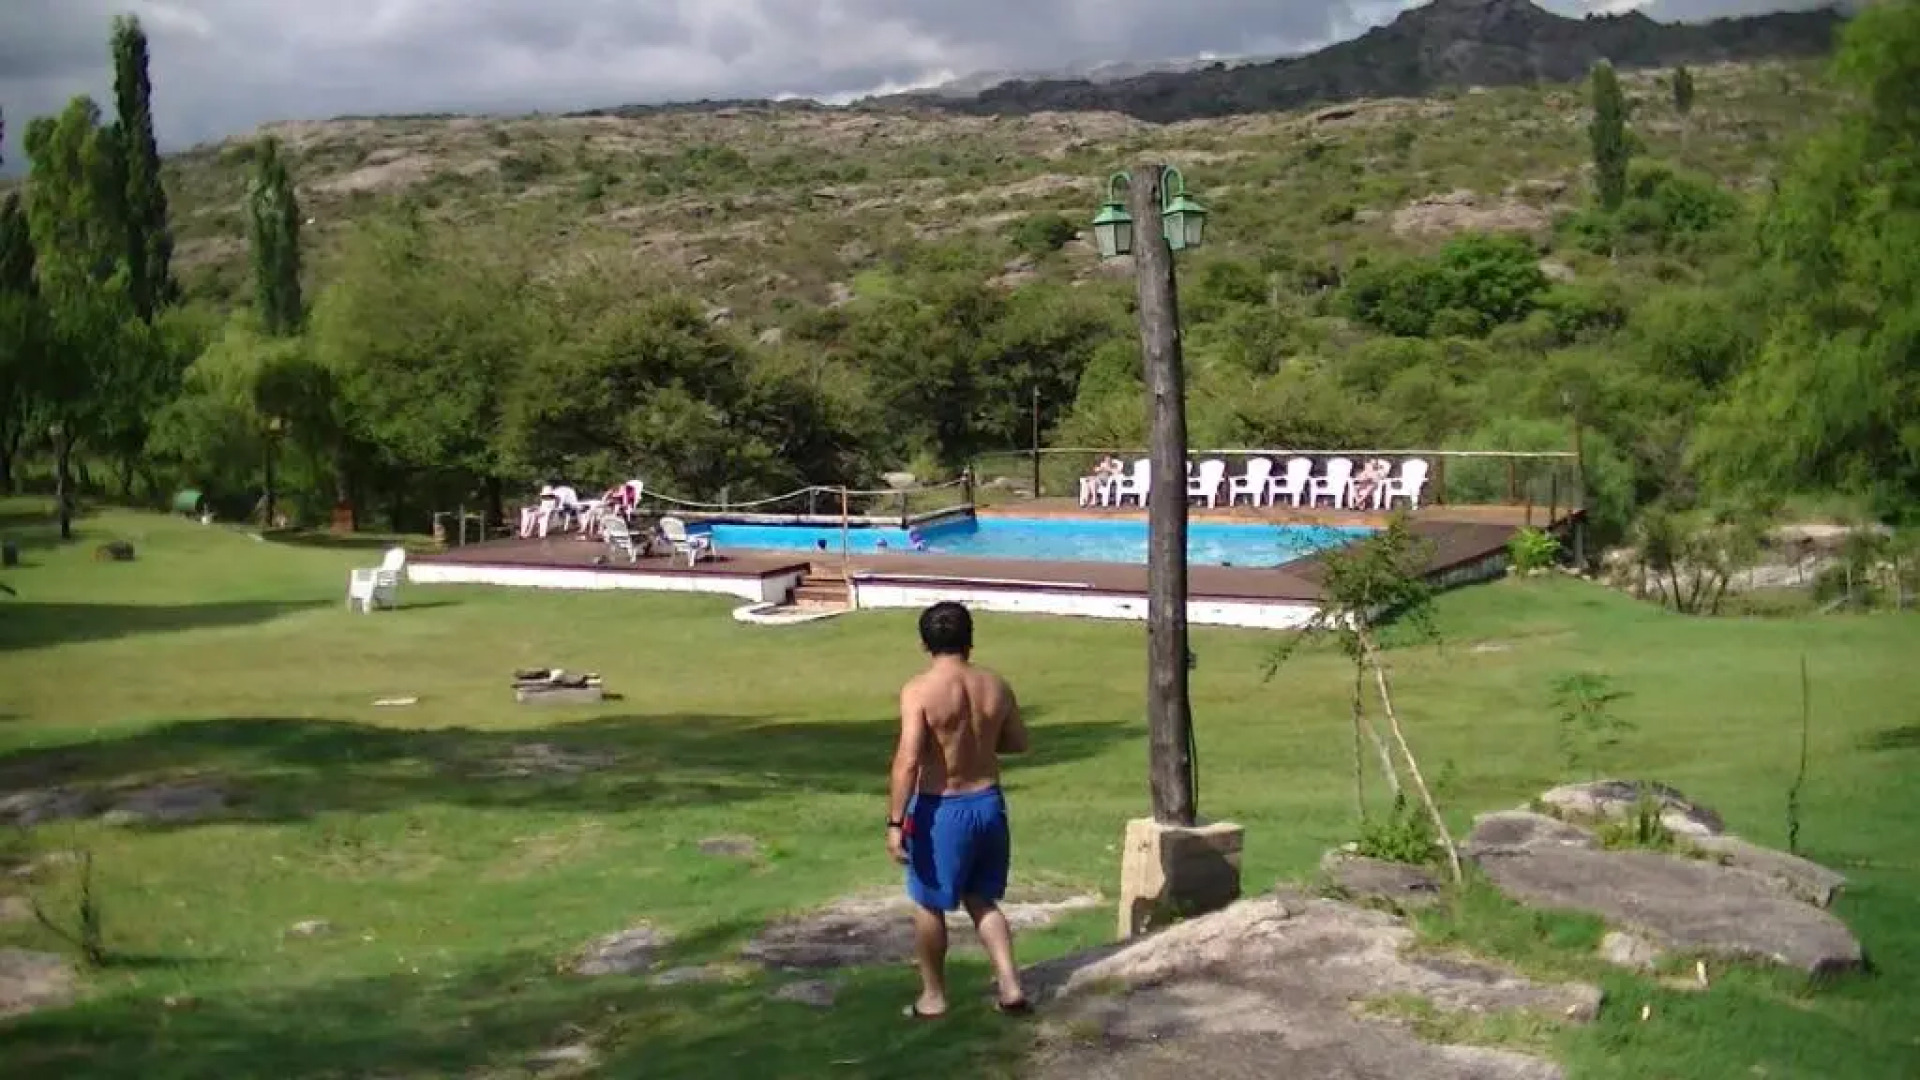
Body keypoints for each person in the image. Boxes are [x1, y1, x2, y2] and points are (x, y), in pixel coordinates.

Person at [887, 601, 1031, 1020]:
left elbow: (908, 760)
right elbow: (1018, 742)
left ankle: (933, 996)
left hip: (941, 808)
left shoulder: (918, 690)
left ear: (923, 643)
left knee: (928, 902)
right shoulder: (996, 685)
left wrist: (895, 822)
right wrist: (978, 742)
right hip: (988, 803)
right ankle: (1010, 985)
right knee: (982, 898)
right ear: (970, 639)